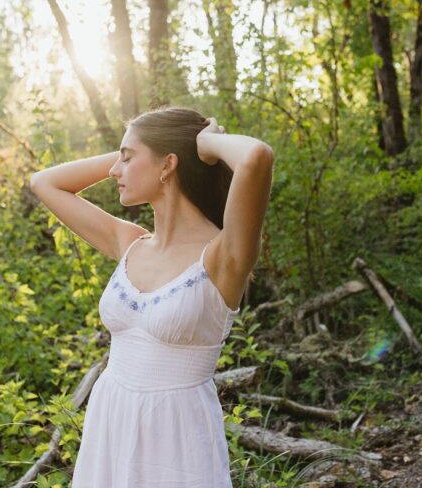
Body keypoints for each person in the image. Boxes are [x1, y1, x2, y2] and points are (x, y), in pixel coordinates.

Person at [29, 106, 274, 487]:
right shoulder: (129, 242)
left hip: (176, 440)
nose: (114, 171)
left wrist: (205, 144)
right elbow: (44, 182)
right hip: (110, 424)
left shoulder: (221, 257)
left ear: (168, 165)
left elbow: (257, 157)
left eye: (126, 159)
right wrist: (136, 151)